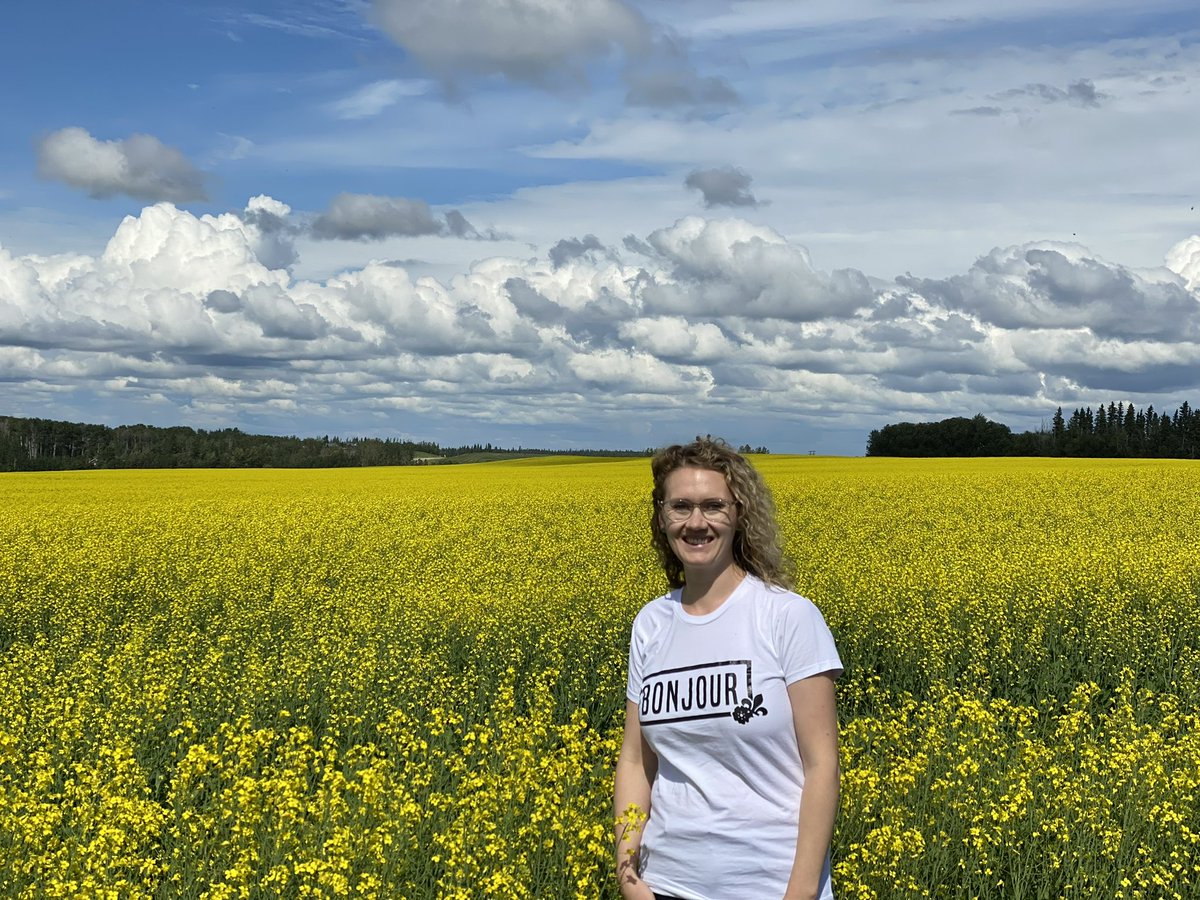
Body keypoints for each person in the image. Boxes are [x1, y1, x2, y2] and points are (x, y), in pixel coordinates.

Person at [613, 437, 842, 900]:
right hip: (666, 885)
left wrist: (799, 894)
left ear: (738, 514)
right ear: (662, 516)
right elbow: (637, 760)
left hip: (770, 886)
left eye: (713, 506)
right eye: (681, 507)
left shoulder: (787, 616)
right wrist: (628, 874)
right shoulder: (651, 623)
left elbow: (823, 769)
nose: (696, 523)